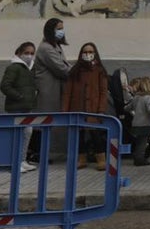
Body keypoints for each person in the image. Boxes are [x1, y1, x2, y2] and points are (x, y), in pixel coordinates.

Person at [27, 18, 69, 164]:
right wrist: (76, 74)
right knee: (42, 122)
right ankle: (34, 153)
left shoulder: (55, 46)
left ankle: (38, 152)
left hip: (53, 89)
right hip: (47, 90)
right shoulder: (46, 48)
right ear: (50, 30)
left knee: (46, 122)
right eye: (58, 28)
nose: (61, 31)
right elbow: (61, 68)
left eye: (62, 28)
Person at [63, 42, 110, 170]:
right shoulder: (75, 70)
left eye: (90, 52)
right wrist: (65, 110)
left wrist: (101, 109)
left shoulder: (100, 70)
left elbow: (103, 92)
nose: (87, 54)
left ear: (95, 54)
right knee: (79, 135)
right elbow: (68, 91)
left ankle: (101, 159)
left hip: (93, 108)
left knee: (95, 134)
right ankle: (81, 159)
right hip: (77, 107)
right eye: (85, 52)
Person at [0, 41, 38, 174]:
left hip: (27, 107)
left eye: (32, 53)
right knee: (17, 135)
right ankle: (14, 162)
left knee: (27, 133)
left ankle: (22, 160)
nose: (29, 56)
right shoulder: (14, 68)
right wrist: (19, 96)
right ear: (19, 53)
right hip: (16, 108)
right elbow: (5, 86)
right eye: (26, 53)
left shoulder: (30, 67)